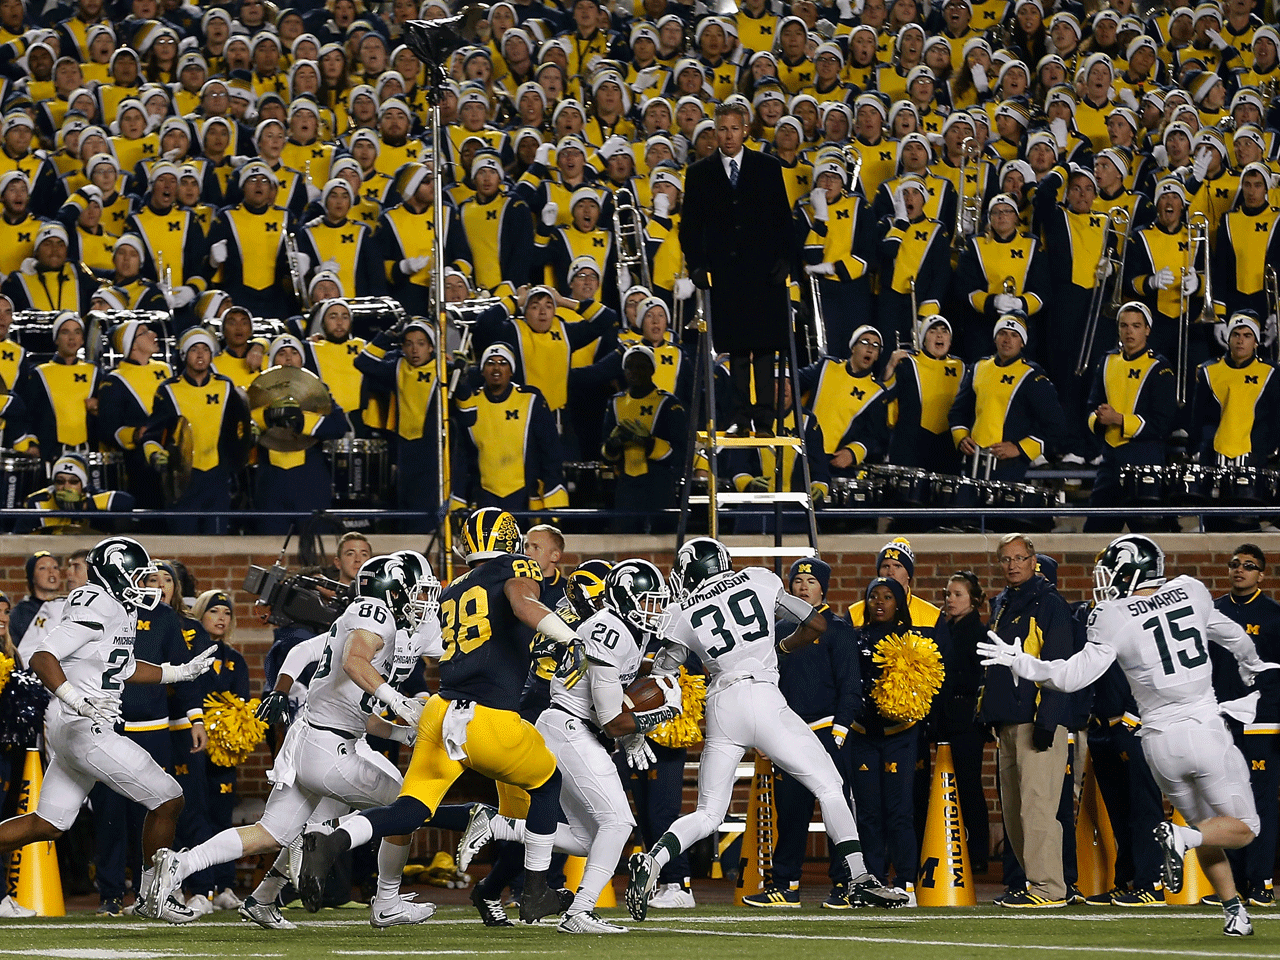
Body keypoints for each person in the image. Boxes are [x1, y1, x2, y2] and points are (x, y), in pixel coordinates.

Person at [296, 508, 585, 926]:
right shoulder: (514, 566)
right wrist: (569, 637)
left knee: (412, 809)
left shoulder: (453, 591)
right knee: (547, 782)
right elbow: (522, 604)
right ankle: (536, 891)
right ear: (510, 541)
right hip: (490, 718)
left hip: (440, 711)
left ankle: (335, 837)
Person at [978, 534, 1275, 937]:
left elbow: (1070, 676)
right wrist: (1252, 664)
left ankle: (1233, 909)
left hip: (1158, 743)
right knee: (1243, 827)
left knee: (1206, 826)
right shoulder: (1191, 590)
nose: (1106, 579)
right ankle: (1180, 837)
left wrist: (1024, 663)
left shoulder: (1112, 615)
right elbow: (1234, 636)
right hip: (1204, 730)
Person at [149, 553, 441, 930]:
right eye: (415, 591)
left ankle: (190, 868)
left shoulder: (366, 622)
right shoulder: (374, 615)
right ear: (392, 589)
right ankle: (387, 900)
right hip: (330, 749)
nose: (421, 600)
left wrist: (401, 730)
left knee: (273, 833)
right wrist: (400, 701)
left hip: (315, 740)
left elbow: (354, 711)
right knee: (405, 808)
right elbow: (355, 664)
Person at [625, 537, 908, 919]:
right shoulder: (758, 578)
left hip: (722, 704)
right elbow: (816, 622)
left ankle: (654, 861)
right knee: (828, 786)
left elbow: (663, 672)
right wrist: (785, 647)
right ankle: (858, 877)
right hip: (763, 694)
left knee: (709, 813)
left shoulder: (681, 611)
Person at [457, 559, 683, 934]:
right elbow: (612, 721)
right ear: (624, 600)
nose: (654, 610)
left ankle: (496, 824)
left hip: (568, 727)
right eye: (648, 601)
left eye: (658, 602)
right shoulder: (609, 630)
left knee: (586, 839)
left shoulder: (628, 627)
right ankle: (580, 911)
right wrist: (658, 715)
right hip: (571, 728)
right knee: (619, 823)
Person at [0, 536, 216, 924]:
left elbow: (121, 665)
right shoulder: (99, 603)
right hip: (86, 726)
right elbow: (42, 655)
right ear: (115, 573)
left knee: (47, 824)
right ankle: (156, 895)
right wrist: (76, 699)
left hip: (73, 728)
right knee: (169, 799)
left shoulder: (115, 606)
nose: (144, 584)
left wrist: (176, 672)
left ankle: (154, 894)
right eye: (135, 575)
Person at [744, 557, 860, 908]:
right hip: (788, 732)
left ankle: (846, 884)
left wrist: (840, 732)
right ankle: (784, 884)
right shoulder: (776, 630)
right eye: (798, 581)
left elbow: (850, 685)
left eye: (811, 580)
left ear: (823, 586)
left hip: (826, 731)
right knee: (790, 814)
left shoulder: (837, 629)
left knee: (836, 811)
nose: (803, 586)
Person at [679, 101, 794, 435]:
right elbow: (689, 228)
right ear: (715, 132)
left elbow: (783, 220)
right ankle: (742, 419)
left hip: (764, 275)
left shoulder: (767, 167)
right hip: (728, 279)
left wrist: (785, 260)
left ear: (745, 130)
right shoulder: (699, 173)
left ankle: (766, 418)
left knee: (765, 349)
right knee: (738, 351)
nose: (728, 136)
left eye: (734, 129)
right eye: (722, 129)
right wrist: (696, 266)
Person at [978, 532, 1077, 907]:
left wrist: (1047, 721)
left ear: (1034, 561)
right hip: (1008, 721)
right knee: (1017, 815)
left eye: (1019, 558)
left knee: (1038, 809)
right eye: (1006, 559)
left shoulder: (1050, 604)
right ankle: (1033, 881)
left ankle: (1049, 887)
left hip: (1037, 722)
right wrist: (988, 711)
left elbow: (1058, 665)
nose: (1012, 565)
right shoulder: (1003, 602)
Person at [1209, 543, 1280, 906]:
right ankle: (1231, 883)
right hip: (1220, 720)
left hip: (1262, 723)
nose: (1240, 570)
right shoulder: (1213, 611)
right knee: (1225, 801)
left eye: (1249, 566)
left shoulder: (1273, 616)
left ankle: (1261, 881)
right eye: (1235, 564)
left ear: (1261, 574)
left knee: (1262, 804)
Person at [1084, 302, 1177, 533]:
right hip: (1110, 459)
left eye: (1136, 326)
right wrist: (1098, 419)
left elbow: (1163, 423)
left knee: (1152, 533)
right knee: (1096, 533)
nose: (1129, 331)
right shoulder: (1106, 361)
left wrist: (1119, 420)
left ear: (1147, 329)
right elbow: (1090, 406)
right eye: (1124, 325)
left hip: (1145, 460)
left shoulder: (1159, 366)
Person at [601, 343, 686, 533]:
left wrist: (648, 442)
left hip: (660, 486)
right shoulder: (616, 402)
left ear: (652, 369)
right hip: (626, 487)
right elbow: (605, 452)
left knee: (664, 544)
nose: (635, 371)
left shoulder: (668, 402)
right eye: (630, 366)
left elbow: (681, 452)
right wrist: (613, 445)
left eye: (641, 366)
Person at [939, 571, 991, 874]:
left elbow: (978, 678)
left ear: (973, 600)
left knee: (969, 786)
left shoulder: (977, 633)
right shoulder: (947, 629)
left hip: (966, 720)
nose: (950, 600)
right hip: (947, 718)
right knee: (951, 786)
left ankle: (978, 851)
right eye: (948, 594)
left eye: (957, 594)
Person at [10, 551, 63, 657]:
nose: (51, 572)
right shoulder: (21, 613)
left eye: (55, 567)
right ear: (32, 577)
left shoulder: (67, 606)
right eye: (43, 568)